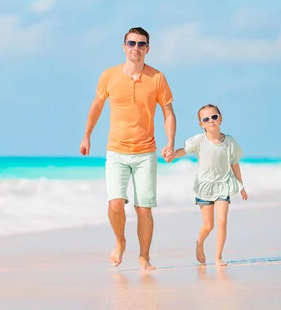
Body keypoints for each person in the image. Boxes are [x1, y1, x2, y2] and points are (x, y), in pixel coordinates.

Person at [79, 26, 176, 271]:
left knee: (143, 208)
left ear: (148, 49)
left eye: (141, 44)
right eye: (131, 43)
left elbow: (168, 112)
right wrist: (86, 136)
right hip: (116, 151)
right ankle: (120, 241)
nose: (136, 48)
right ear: (124, 47)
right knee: (115, 204)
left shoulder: (157, 78)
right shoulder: (109, 76)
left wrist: (170, 142)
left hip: (146, 153)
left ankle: (144, 256)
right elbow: (97, 106)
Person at [170, 104, 248, 267]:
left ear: (220, 118)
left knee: (222, 221)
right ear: (201, 124)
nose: (211, 121)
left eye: (214, 117)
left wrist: (241, 186)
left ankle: (218, 257)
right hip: (205, 187)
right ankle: (199, 244)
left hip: (223, 185)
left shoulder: (230, 142)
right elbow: (183, 151)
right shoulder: (199, 140)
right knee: (208, 225)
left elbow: (234, 164)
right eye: (206, 119)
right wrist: (172, 155)